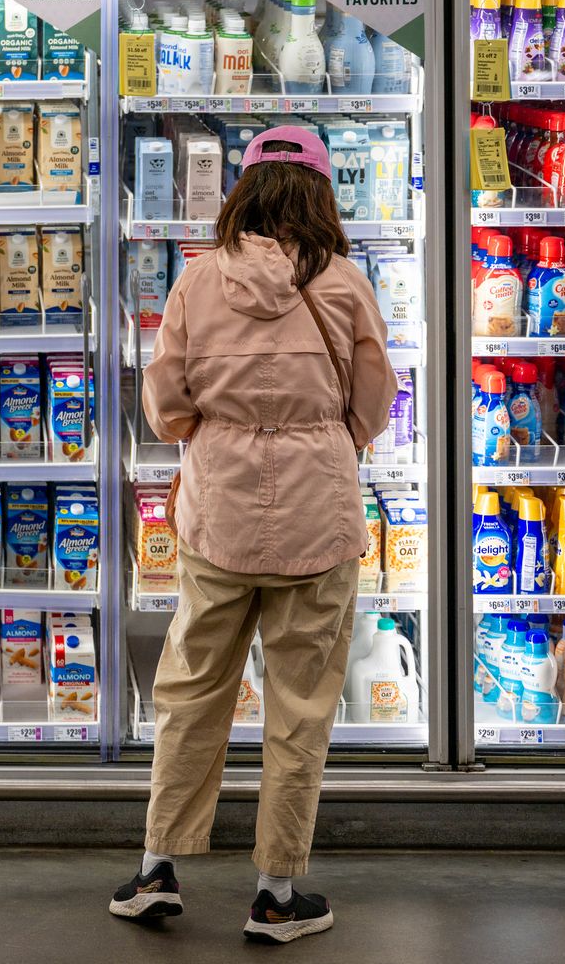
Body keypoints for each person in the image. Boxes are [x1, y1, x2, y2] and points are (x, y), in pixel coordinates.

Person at [108, 126, 399, 944]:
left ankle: (157, 870)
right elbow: (373, 404)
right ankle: (275, 893)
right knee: (299, 704)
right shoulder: (344, 284)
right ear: (318, 194)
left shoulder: (196, 284)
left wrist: (220, 432)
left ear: (244, 191)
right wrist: (325, 434)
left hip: (219, 512)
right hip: (319, 512)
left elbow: (165, 401)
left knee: (191, 688)